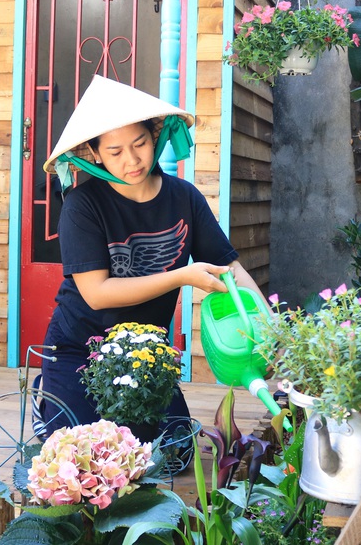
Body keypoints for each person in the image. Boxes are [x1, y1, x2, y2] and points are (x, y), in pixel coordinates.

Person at [38, 75, 265, 436]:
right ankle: (51, 392)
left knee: (173, 453)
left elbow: (229, 269)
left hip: (143, 355)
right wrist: (181, 276)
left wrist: (266, 325)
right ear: (95, 154)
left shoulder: (184, 198)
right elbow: (97, 294)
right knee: (82, 449)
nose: (132, 159)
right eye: (115, 152)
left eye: (140, 143)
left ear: (154, 138)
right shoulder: (83, 205)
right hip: (80, 348)